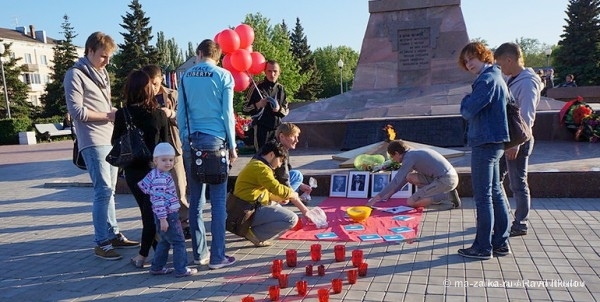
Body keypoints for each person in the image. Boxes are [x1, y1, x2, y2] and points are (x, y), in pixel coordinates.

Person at [64, 31, 139, 260]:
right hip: (92, 141)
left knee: (110, 191)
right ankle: (101, 242)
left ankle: (113, 233)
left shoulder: (102, 73)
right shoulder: (75, 75)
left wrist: (113, 116)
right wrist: (108, 115)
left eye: (109, 57)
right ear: (89, 51)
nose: (107, 61)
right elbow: (77, 112)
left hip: (109, 139)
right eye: (103, 56)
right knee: (102, 191)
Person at [177, 39, 237, 270]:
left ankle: (199, 254)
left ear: (199, 54)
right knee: (218, 202)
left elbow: (180, 113)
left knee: (196, 202)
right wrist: (232, 146)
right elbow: (227, 113)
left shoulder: (186, 77)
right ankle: (218, 257)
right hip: (216, 143)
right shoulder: (224, 75)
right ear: (218, 56)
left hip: (192, 143)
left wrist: (184, 139)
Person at [111, 69, 171, 268]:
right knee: (151, 213)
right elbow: (166, 144)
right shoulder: (160, 114)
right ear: (148, 90)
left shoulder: (123, 114)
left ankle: (146, 256)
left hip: (133, 172)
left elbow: (115, 142)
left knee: (147, 213)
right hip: (156, 171)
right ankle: (152, 254)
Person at [457, 41, 511, 260]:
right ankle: (500, 243)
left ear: (484, 56)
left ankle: (482, 247)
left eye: (472, 58)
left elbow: (468, 110)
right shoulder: (498, 77)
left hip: (485, 142)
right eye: (466, 61)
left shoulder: (487, 80)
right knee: (496, 193)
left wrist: (464, 99)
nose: (469, 64)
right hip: (495, 142)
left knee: (484, 197)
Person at [494, 42, 542, 238]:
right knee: (496, 179)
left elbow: (527, 116)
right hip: (508, 139)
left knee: (518, 183)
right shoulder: (512, 78)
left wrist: (516, 144)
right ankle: (503, 216)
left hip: (518, 141)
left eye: (501, 63)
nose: (500, 68)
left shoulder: (528, 82)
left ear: (509, 60)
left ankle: (520, 223)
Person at [141, 64, 190, 240]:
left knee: (179, 187)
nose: (152, 88)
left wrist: (171, 113)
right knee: (157, 190)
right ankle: (159, 225)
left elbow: (185, 118)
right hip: (153, 150)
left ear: (161, 79)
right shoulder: (142, 97)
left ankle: (184, 223)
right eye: (149, 84)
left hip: (173, 147)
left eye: (155, 83)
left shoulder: (173, 95)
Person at [229, 140, 309, 246]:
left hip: (245, 208)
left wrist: (279, 198)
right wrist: (292, 194)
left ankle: (250, 229)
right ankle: (255, 235)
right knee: (291, 219)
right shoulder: (261, 168)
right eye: (280, 160)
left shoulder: (257, 164)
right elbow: (275, 187)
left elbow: (265, 191)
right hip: (245, 212)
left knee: (278, 207)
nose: (280, 164)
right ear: (271, 154)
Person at [138, 143, 197, 277]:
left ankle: (157, 267)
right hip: (168, 215)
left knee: (164, 241)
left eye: (170, 160)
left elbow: (147, 190)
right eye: (163, 160)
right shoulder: (160, 178)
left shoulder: (155, 174)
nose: (168, 163)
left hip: (162, 215)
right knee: (179, 242)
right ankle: (181, 269)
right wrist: (163, 219)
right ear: (155, 160)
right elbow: (158, 201)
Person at [366, 140, 460, 209]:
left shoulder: (409, 158)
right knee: (410, 176)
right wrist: (390, 194)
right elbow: (403, 179)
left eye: (392, 157)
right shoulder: (412, 153)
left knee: (411, 202)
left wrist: (375, 199)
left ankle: (447, 195)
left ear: (397, 153)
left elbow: (396, 180)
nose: (393, 160)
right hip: (446, 177)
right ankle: (441, 192)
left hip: (446, 180)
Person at [243, 60, 289, 151]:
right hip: (261, 129)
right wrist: (258, 105)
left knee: (279, 159)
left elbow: (286, 110)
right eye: (269, 71)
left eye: (275, 71)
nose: (272, 74)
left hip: (277, 129)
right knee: (262, 158)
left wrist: (279, 109)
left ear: (279, 72)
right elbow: (244, 108)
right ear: (265, 72)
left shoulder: (281, 89)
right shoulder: (256, 87)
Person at [273, 123, 312, 202]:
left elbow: (286, 172)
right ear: (282, 136)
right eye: (294, 137)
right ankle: (281, 200)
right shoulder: (277, 152)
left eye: (297, 137)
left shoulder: (280, 148)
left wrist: (300, 184)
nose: (297, 140)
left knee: (295, 176)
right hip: (268, 188)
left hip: (272, 184)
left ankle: (288, 197)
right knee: (297, 175)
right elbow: (283, 177)